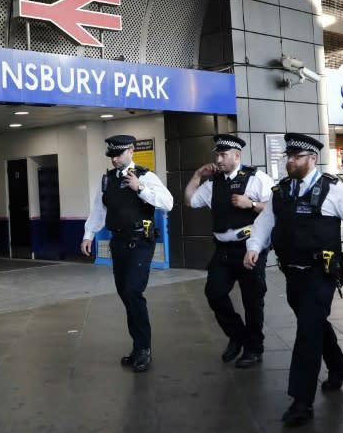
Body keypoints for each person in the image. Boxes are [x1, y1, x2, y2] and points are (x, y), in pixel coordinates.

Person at [242, 133, 343, 427]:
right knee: (315, 323)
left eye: (296, 157)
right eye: (289, 157)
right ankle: (338, 366)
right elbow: (264, 222)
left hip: (321, 273)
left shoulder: (332, 190)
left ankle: (301, 401)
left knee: (307, 331)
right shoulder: (282, 191)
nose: (290, 162)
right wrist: (254, 247)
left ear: (312, 159)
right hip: (292, 272)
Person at [80, 135, 173, 373]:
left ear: (131, 151)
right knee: (125, 293)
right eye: (111, 155)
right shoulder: (107, 180)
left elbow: (167, 202)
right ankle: (137, 346)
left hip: (140, 241)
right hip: (118, 242)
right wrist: (88, 235)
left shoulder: (145, 175)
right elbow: (99, 210)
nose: (114, 158)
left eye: (118, 154)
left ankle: (144, 348)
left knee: (133, 291)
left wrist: (140, 188)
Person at [183, 134, 274, 368]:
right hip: (223, 251)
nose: (219, 159)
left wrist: (251, 204)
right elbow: (190, 201)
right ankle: (238, 335)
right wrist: (196, 176)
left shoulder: (256, 178)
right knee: (214, 293)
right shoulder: (213, 183)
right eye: (217, 154)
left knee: (252, 301)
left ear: (237, 155)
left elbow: (276, 208)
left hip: (249, 249)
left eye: (223, 154)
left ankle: (254, 348)